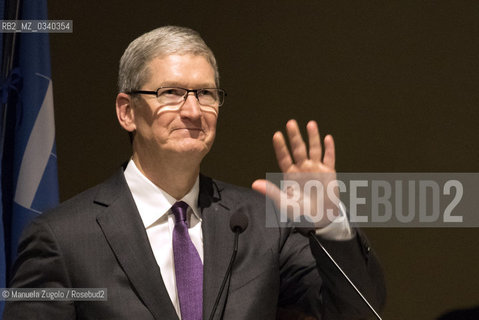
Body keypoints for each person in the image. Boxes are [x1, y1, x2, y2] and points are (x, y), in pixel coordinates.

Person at [4, 26, 385, 320]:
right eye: (171, 92)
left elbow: (360, 312)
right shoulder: (63, 238)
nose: (193, 110)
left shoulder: (263, 225)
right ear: (127, 111)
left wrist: (330, 223)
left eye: (206, 94)